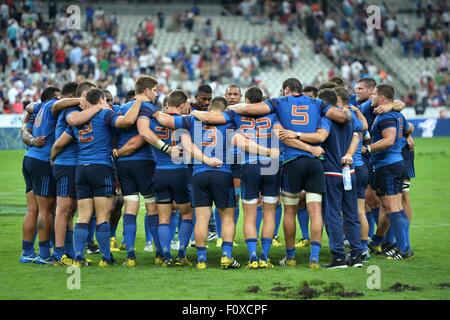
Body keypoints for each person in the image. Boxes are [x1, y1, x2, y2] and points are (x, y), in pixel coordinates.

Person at [227, 77, 351, 269]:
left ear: (286, 90)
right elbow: (342, 118)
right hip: (315, 163)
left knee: (289, 211)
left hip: (290, 162)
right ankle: (314, 258)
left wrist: (233, 107)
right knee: (315, 211)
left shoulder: (278, 104)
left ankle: (290, 256)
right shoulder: (318, 104)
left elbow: (252, 111)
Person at [154, 96, 278, 269]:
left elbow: (176, 132)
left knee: (202, 218)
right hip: (222, 173)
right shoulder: (229, 120)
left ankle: (202, 259)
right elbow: (240, 142)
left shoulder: (192, 120)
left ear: (210, 107)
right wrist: (267, 151)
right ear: (225, 108)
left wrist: (150, 110)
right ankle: (226, 256)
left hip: (199, 174)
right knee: (227, 216)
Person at [191, 87, 281, 269]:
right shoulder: (274, 115)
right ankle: (264, 255)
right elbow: (279, 134)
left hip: (248, 166)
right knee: (269, 212)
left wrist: (193, 111)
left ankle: (253, 256)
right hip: (271, 166)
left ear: (245, 100)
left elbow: (211, 118)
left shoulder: (236, 116)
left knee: (249, 214)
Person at [280, 88, 367, 268]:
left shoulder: (324, 119)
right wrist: (350, 153)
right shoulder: (348, 117)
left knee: (332, 214)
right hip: (348, 171)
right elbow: (359, 133)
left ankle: (338, 257)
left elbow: (319, 137)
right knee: (351, 214)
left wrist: (296, 135)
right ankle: (357, 255)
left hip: (330, 172)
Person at [70, 88, 147, 267]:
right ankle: (106, 257)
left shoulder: (78, 118)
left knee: (83, 215)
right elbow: (127, 121)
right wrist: (139, 101)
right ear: (102, 99)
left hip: (81, 168)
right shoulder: (105, 115)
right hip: (101, 167)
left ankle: (78, 258)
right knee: (103, 216)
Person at [137, 89, 193, 267]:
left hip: (159, 172)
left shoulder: (153, 121)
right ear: (183, 104)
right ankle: (182, 253)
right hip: (180, 172)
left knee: (163, 217)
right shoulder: (184, 122)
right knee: (186, 213)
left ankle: (166, 255)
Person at [362, 84, 414, 260]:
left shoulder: (386, 117)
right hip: (394, 164)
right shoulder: (396, 115)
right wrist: (406, 138)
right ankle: (402, 246)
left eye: (374, 94)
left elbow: (389, 140)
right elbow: (408, 129)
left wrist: (367, 149)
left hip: (388, 166)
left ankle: (403, 249)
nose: (372, 97)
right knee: (390, 206)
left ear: (382, 98)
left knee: (393, 207)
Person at [114, 76, 161, 267]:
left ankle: (131, 255)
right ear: (147, 90)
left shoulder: (122, 109)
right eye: (155, 90)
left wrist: (117, 153)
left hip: (123, 164)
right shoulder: (148, 107)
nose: (156, 94)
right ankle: (159, 254)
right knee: (152, 207)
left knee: (130, 206)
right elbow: (143, 136)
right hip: (144, 162)